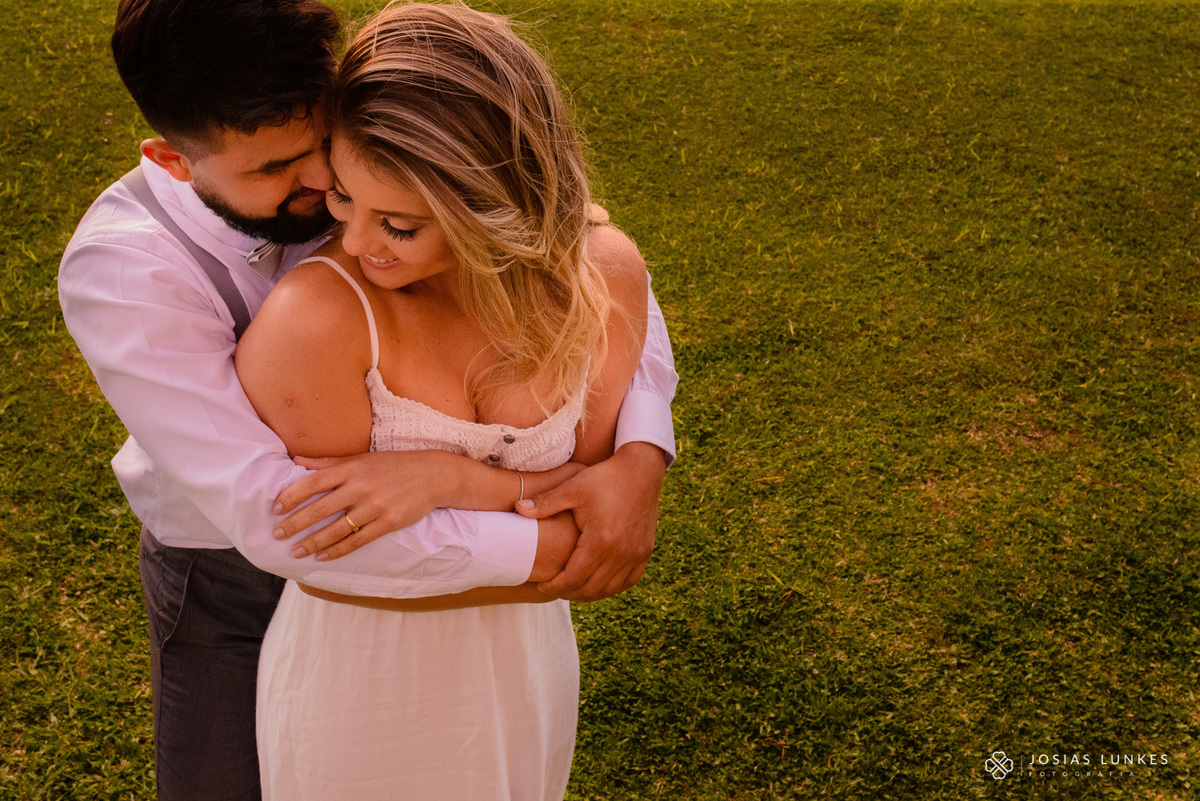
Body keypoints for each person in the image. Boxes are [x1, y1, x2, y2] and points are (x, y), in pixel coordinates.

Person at [56, 1, 678, 799]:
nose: (322, 188)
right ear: (174, 161)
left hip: (478, 616)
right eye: (276, 170)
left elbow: (586, 263)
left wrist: (639, 456)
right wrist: (563, 542)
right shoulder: (125, 272)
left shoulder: (376, 167)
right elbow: (287, 523)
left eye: (323, 148)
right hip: (233, 571)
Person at [235, 3, 652, 798]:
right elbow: (336, 560)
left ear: (493, 208)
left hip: (522, 671)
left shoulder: (604, 279)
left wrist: (446, 479)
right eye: (344, 199)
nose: (356, 243)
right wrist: (562, 520)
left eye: (396, 223)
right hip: (360, 692)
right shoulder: (315, 321)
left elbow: (595, 532)